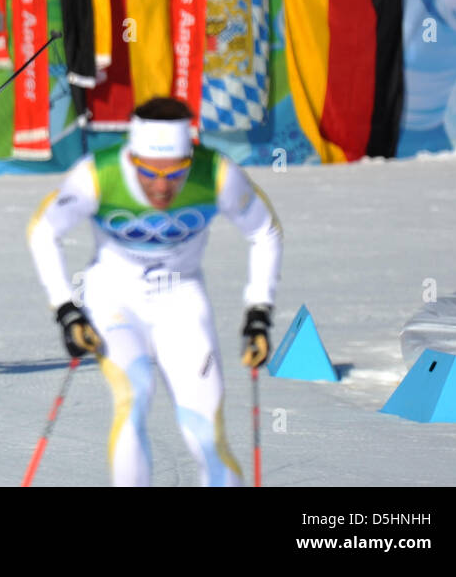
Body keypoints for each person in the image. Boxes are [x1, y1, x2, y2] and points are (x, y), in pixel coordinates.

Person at [26, 96, 282, 486]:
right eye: (148, 172)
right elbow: (44, 231)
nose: (162, 185)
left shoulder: (216, 174)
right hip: (114, 300)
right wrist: (67, 310)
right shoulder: (98, 174)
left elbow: (264, 231)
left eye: (176, 172)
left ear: (189, 157)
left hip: (181, 301)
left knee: (206, 433)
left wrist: (259, 311)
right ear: (132, 158)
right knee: (132, 399)